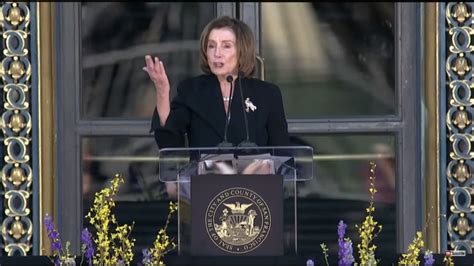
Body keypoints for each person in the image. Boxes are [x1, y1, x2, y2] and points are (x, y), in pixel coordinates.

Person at [144, 16, 290, 150]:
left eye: (226, 46)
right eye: (211, 46)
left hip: (254, 178)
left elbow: (282, 155)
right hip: (205, 178)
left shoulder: (267, 94)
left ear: (242, 51)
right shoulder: (192, 90)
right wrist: (162, 91)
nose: (217, 53)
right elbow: (169, 143)